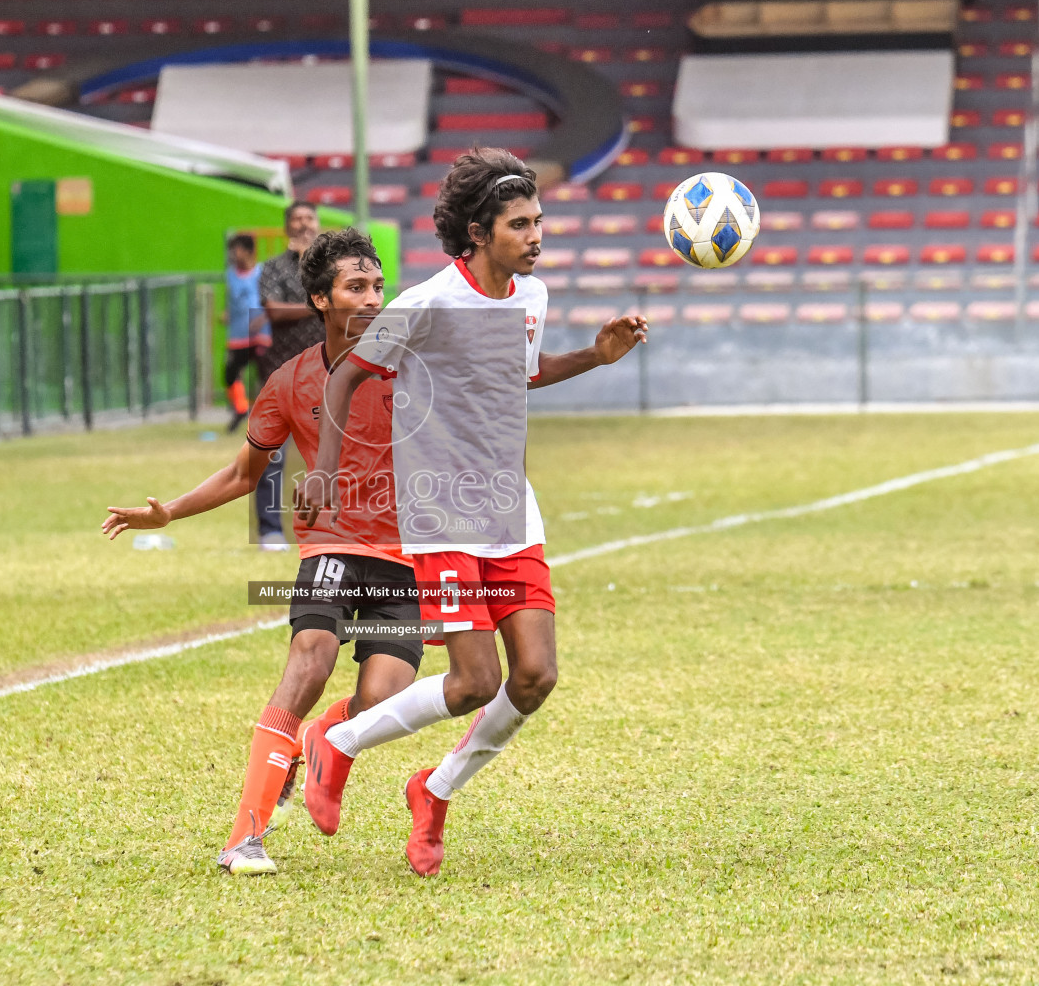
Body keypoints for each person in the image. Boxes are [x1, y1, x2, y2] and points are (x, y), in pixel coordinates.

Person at [299, 148, 647, 876]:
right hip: (444, 513)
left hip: (511, 513)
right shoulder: (427, 303)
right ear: (480, 232)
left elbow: (522, 375)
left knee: (536, 677)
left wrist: (594, 355)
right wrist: (325, 472)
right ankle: (338, 740)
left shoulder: (532, 296)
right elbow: (345, 378)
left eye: (538, 221)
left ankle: (434, 791)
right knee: (473, 683)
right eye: (519, 224)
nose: (534, 234)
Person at [102, 229, 419, 876]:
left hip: (405, 559)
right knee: (310, 661)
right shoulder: (290, 381)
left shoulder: (413, 366)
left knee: (384, 701)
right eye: (356, 287)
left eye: (378, 285)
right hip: (330, 546)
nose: (372, 298)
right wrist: (170, 510)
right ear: (319, 300)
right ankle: (244, 837)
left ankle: (316, 742)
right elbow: (245, 474)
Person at [253, 201, 325, 552]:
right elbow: (273, 310)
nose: (302, 225)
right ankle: (270, 531)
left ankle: (333, 529)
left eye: (308, 218)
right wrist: (318, 307)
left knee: (333, 455)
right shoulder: (271, 268)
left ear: (318, 223)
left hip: (328, 375)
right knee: (269, 455)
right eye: (295, 219)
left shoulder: (329, 268)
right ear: (286, 228)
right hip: (281, 376)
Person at [221, 233, 269, 434]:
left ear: (249, 251)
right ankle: (241, 409)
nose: (233, 254)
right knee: (230, 373)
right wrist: (227, 314)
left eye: (237, 249)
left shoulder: (263, 273)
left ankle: (269, 418)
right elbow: (232, 301)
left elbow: (272, 301)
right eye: (231, 250)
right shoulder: (230, 275)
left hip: (261, 334)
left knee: (266, 375)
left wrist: (265, 317)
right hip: (239, 334)